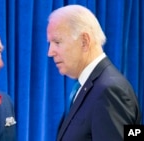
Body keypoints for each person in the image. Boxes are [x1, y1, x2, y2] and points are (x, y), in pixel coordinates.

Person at [47, 5, 141, 141]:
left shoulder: (110, 90)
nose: (50, 52)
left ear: (84, 41)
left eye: (57, 42)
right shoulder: (88, 87)